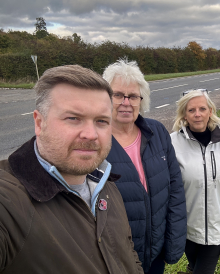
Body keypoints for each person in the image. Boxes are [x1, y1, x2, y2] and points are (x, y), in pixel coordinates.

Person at [0, 65, 143, 274]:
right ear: (39, 122)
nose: (91, 134)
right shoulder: (8, 201)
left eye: (101, 121)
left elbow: (128, 256)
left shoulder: (105, 185)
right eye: (73, 118)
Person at [102, 59, 187, 274]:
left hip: (155, 252)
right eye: (118, 95)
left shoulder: (157, 132)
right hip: (115, 258)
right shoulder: (95, 141)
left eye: (133, 96)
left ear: (142, 100)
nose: (126, 102)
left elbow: (175, 189)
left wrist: (173, 241)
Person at [170, 89, 220, 274]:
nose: (197, 114)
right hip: (186, 228)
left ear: (210, 111)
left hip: (216, 230)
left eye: (202, 109)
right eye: (191, 110)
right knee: (195, 264)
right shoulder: (171, 143)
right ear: (184, 115)